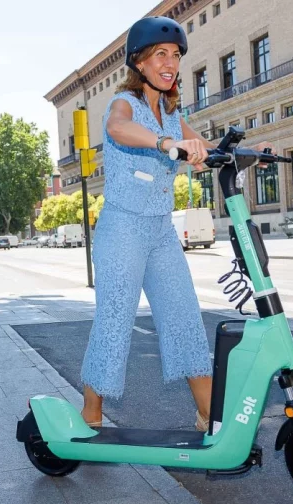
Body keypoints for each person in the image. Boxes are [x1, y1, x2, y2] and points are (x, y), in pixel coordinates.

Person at [80, 16, 218, 432]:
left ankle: (209, 415)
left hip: (160, 232)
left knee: (184, 317)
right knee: (115, 321)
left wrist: (251, 151)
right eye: (160, 54)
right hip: (122, 229)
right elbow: (117, 128)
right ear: (140, 62)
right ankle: (91, 413)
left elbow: (206, 149)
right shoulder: (125, 104)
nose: (170, 63)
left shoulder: (173, 115)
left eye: (175, 55)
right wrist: (164, 143)